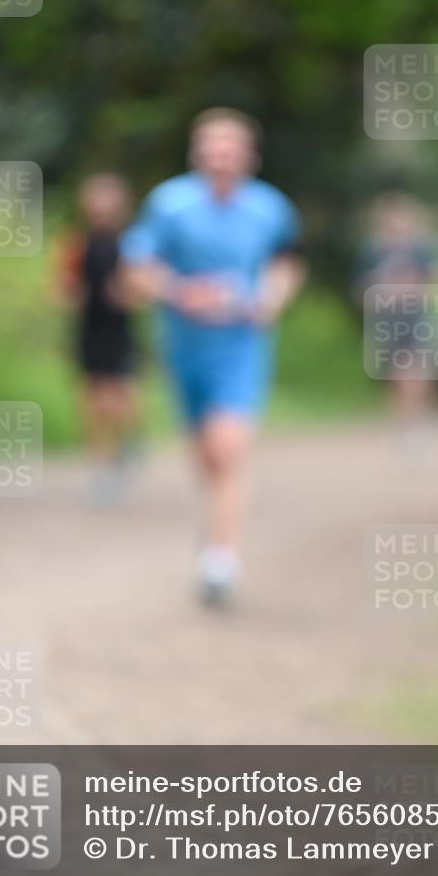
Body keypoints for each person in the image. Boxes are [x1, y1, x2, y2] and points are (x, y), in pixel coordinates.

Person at [120, 108, 304, 605]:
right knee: (205, 453)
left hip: (241, 344)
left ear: (249, 156)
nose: (221, 156)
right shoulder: (169, 203)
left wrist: (271, 299)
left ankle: (221, 559)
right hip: (184, 346)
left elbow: (286, 264)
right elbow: (137, 266)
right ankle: (217, 525)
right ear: (197, 153)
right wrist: (179, 292)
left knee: (228, 447)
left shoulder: (271, 208)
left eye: (231, 147)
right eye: (212, 147)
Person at [53, 173, 141, 503]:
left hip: (120, 329)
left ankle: (125, 445)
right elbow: (61, 287)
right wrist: (71, 293)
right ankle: (100, 465)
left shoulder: (132, 243)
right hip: (89, 328)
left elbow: (142, 289)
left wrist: (127, 294)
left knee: (121, 397)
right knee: (92, 398)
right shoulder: (76, 243)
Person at [354, 192, 438, 459]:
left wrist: (409, 292)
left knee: (417, 374)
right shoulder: (372, 250)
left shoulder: (422, 248)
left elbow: (434, 284)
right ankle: (405, 426)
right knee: (397, 376)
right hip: (387, 322)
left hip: (417, 319)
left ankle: (418, 421)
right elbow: (360, 290)